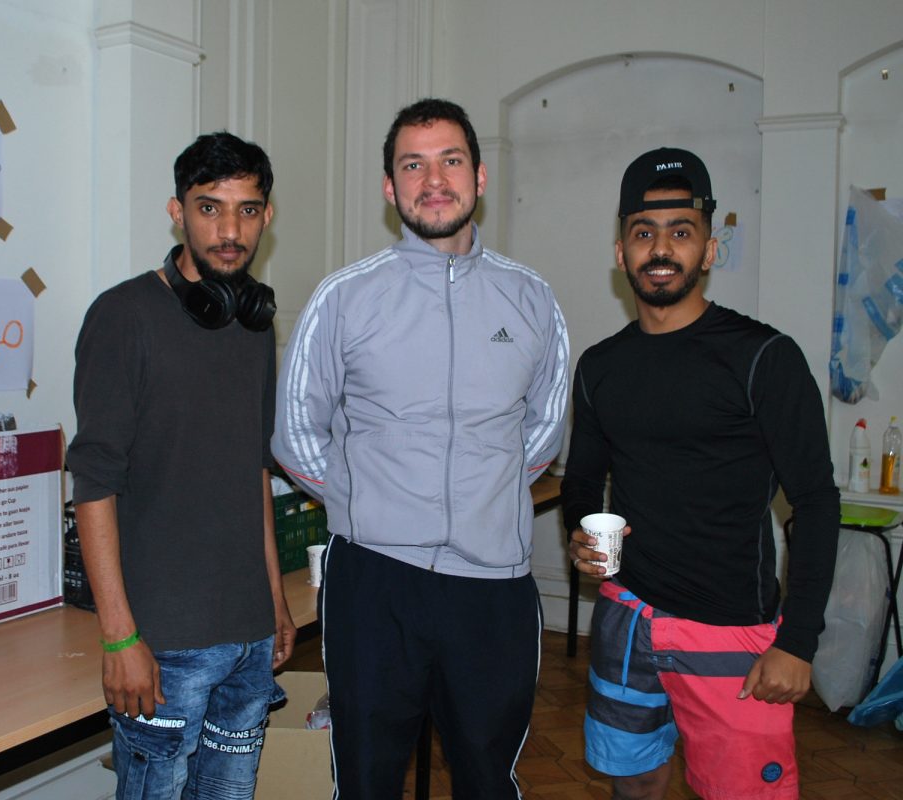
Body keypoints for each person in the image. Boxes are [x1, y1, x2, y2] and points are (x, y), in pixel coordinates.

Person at [273, 98, 569, 798]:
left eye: (450, 160)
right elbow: (295, 433)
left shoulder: (531, 300)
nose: (433, 180)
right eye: (413, 164)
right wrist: (365, 502)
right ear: (390, 187)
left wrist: (480, 497)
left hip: (493, 588)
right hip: (375, 582)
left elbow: (545, 433)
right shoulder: (343, 298)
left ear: (480, 176)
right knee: (369, 779)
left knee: (486, 779)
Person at [561, 147, 839, 800]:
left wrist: (797, 642)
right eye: (643, 232)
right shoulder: (601, 366)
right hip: (628, 618)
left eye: (680, 231)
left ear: (709, 250)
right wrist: (582, 534)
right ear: (621, 252)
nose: (661, 248)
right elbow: (582, 479)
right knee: (633, 782)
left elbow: (817, 505)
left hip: (731, 630)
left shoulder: (764, 359)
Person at [66, 131, 295, 800]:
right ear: (176, 211)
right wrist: (120, 639)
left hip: (248, 636)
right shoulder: (122, 316)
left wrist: (274, 596)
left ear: (267, 216)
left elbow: (253, 467)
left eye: (247, 210)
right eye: (209, 207)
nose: (230, 230)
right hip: (163, 645)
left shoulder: (255, 322)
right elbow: (94, 481)